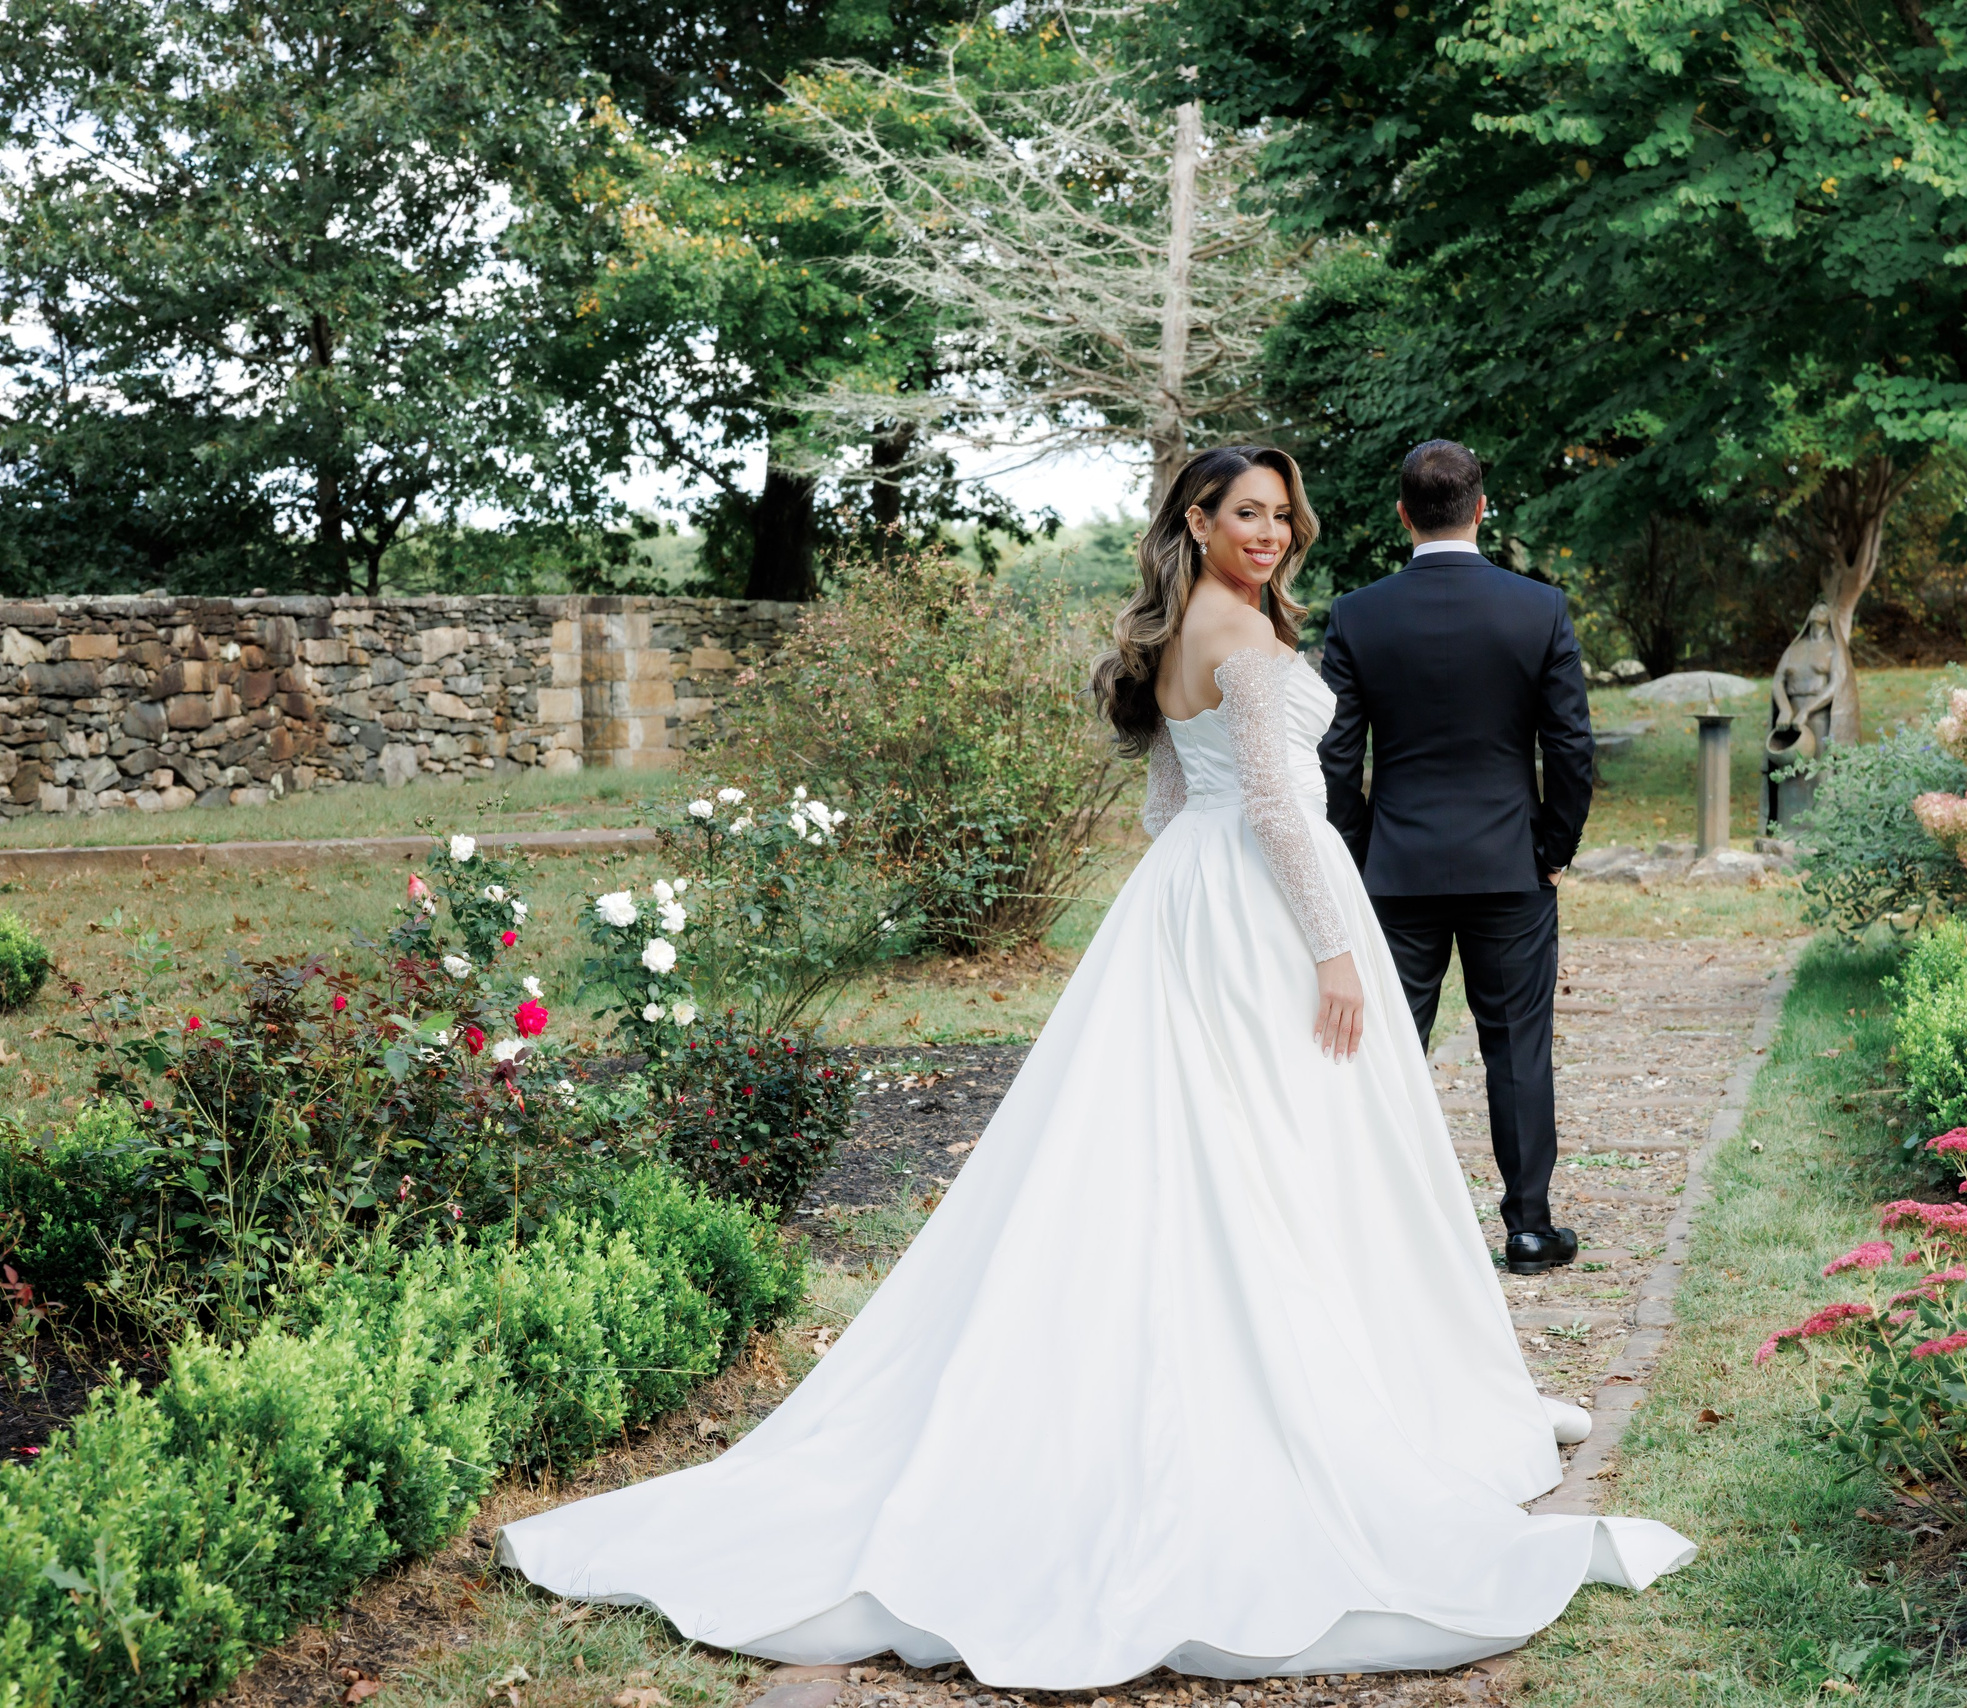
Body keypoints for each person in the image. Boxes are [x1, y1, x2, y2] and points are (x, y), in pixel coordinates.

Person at [497, 445, 1694, 1690]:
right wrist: (1333, 951)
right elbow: (1282, 812)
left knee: (1220, 1142)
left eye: (1282, 515)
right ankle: (1318, 1381)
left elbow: (1168, 801)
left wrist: (1184, 906)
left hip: (1189, 898)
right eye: (1248, 513)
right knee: (1280, 1146)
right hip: (1268, 904)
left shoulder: (1185, 624)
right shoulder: (1240, 630)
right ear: (1200, 516)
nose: (1271, 532)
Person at [1317, 440, 1595, 1275]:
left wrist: (1362, 852)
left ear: (1402, 515)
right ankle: (1529, 1230)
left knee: (1387, 1049)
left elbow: (1335, 757)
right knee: (1517, 1048)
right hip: (1511, 867)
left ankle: (1379, 1233)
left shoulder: (1358, 615)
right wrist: (1551, 848)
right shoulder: (1537, 609)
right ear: (1482, 509)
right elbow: (1571, 748)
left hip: (1394, 874)